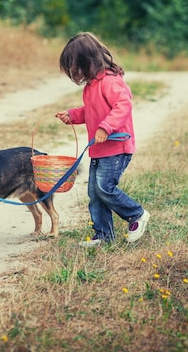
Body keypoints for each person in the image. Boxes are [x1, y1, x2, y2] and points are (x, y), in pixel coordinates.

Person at [55, 32, 150, 247]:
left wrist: (106, 127)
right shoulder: (92, 86)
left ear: (86, 62)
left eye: (74, 68)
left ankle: (137, 214)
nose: (73, 73)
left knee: (105, 188)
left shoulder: (109, 81)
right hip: (100, 149)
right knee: (95, 193)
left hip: (117, 146)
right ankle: (104, 235)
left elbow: (123, 105)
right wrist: (72, 115)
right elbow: (91, 111)